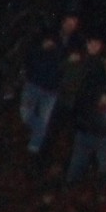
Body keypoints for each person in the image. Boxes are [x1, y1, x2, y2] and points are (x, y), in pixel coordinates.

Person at [65, 54, 106, 183]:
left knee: (103, 167)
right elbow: (84, 98)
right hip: (86, 129)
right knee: (76, 163)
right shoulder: (95, 79)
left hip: (104, 134)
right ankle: (70, 188)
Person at [22, 22, 70, 154]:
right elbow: (30, 56)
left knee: (44, 119)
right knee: (26, 115)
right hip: (34, 83)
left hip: (51, 89)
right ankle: (38, 135)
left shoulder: (73, 43)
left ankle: (34, 146)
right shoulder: (47, 36)